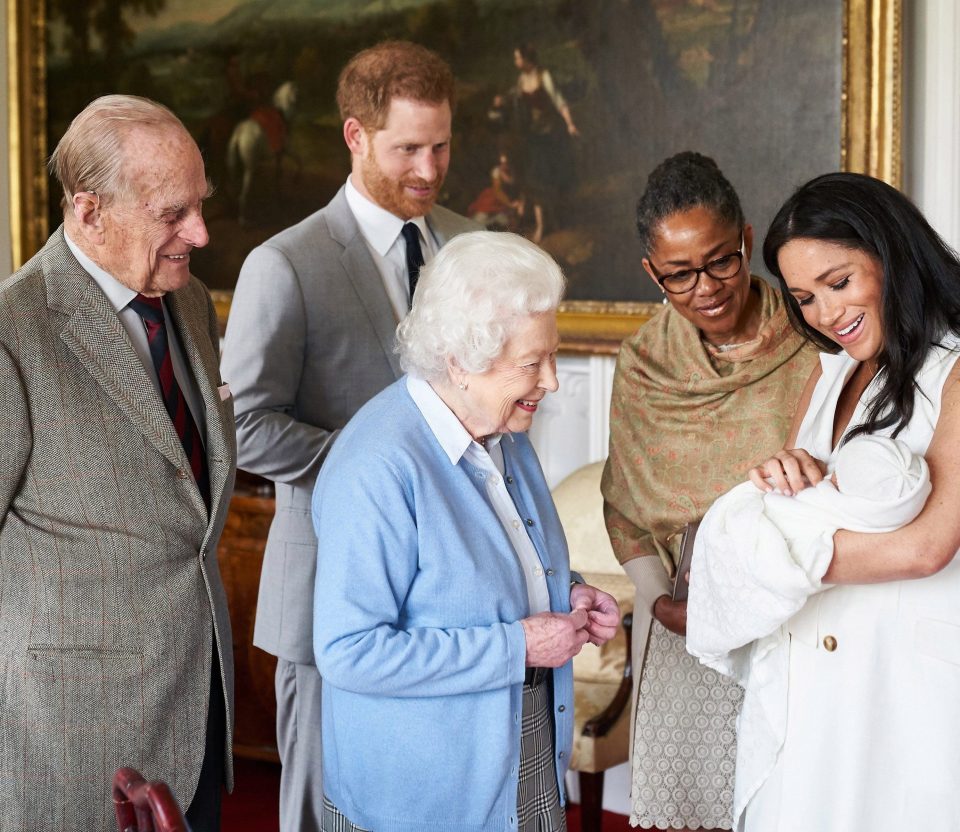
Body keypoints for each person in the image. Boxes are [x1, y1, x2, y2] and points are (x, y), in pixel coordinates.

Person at [220, 40, 476, 832]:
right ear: (354, 136)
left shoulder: (469, 246)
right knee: (322, 810)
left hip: (450, 599)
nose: (429, 171)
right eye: (407, 149)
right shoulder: (285, 263)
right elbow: (245, 428)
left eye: (440, 146)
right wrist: (385, 464)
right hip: (329, 586)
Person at [312, 230, 620, 832]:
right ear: (460, 361)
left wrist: (566, 592)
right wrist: (519, 646)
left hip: (522, 753)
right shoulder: (376, 468)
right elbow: (350, 653)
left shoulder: (503, 430)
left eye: (552, 355)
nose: (552, 381)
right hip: (423, 796)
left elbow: (485, 570)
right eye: (532, 363)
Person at [0, 95, 237, 831]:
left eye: (200, 205)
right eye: (173, 213)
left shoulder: (190, 303)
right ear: (89, 212)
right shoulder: (14, 329)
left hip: (199, 699)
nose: (198, 232)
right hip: (74, 732)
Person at [729, 171, 960, 831]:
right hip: (811, 674)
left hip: (902, 680)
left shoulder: (955, 371)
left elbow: (928, 546)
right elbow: (798, 497)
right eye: (803, 297)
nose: (825, 314)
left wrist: (770, 555)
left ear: (892, 256)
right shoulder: (828, 371)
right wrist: (781, 475)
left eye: (839, 282)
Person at [600, 151, 817, 830]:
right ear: (652, 273)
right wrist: (658, 598)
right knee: (697, 810)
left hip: (800, 608)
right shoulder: (642, 366)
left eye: (722, 261)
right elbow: (625, 505)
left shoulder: (815, 340)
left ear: (747, 240)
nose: (708, 287)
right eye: (679, 275)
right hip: (686, 619)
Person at [503, 43, 579, 243]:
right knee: (535, 180)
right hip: (533, 138)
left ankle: (556, 222)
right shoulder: (521, 80)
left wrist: (570, 124)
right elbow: (517, 104)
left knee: (550, 179)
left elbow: (559, 101)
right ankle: (542, 225)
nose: (516, 62)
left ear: (527, 59)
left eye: (518, 58)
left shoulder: (543, 76)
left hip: (551, 136)